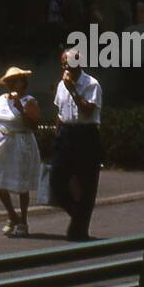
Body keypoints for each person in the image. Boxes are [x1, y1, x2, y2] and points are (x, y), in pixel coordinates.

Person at [50, 48, 102, 242]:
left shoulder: (91, 84)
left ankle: (80, 228)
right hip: (66, 134)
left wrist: (72, 88)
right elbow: (60, 113)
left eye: (69, 62)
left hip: (86, 134)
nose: (65, 67)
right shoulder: (61, 85)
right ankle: (79, 217)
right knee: (56, 181)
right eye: (63, 63)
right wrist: (56, 137)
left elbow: (88, 111)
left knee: (87, 183)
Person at [0, 68, 41, 239]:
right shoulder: (1, 99)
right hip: (2, 142)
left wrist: (21, 109)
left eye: (15, 80)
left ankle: (23, 221)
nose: (11, 84)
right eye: (9, 81)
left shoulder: (29, 101)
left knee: (21, 185)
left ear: (23, 82)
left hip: (21, 144)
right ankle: (12, 215)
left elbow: (33, 126)